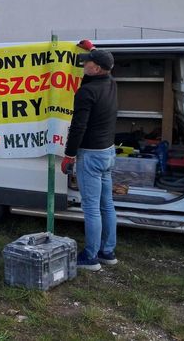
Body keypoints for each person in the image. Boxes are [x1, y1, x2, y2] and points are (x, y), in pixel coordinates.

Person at [60, 48, 118, 271]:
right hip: (108, 152)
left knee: (92, 208)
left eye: (88, 62)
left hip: (91, 155)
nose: (84, 65)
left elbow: (78, 127)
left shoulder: (85, 93)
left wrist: (69, 155)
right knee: (107, 204)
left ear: (96, 68)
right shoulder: (111, 83)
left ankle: (90, 257)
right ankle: (107, 251)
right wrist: (93, 49)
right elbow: (96, 76)